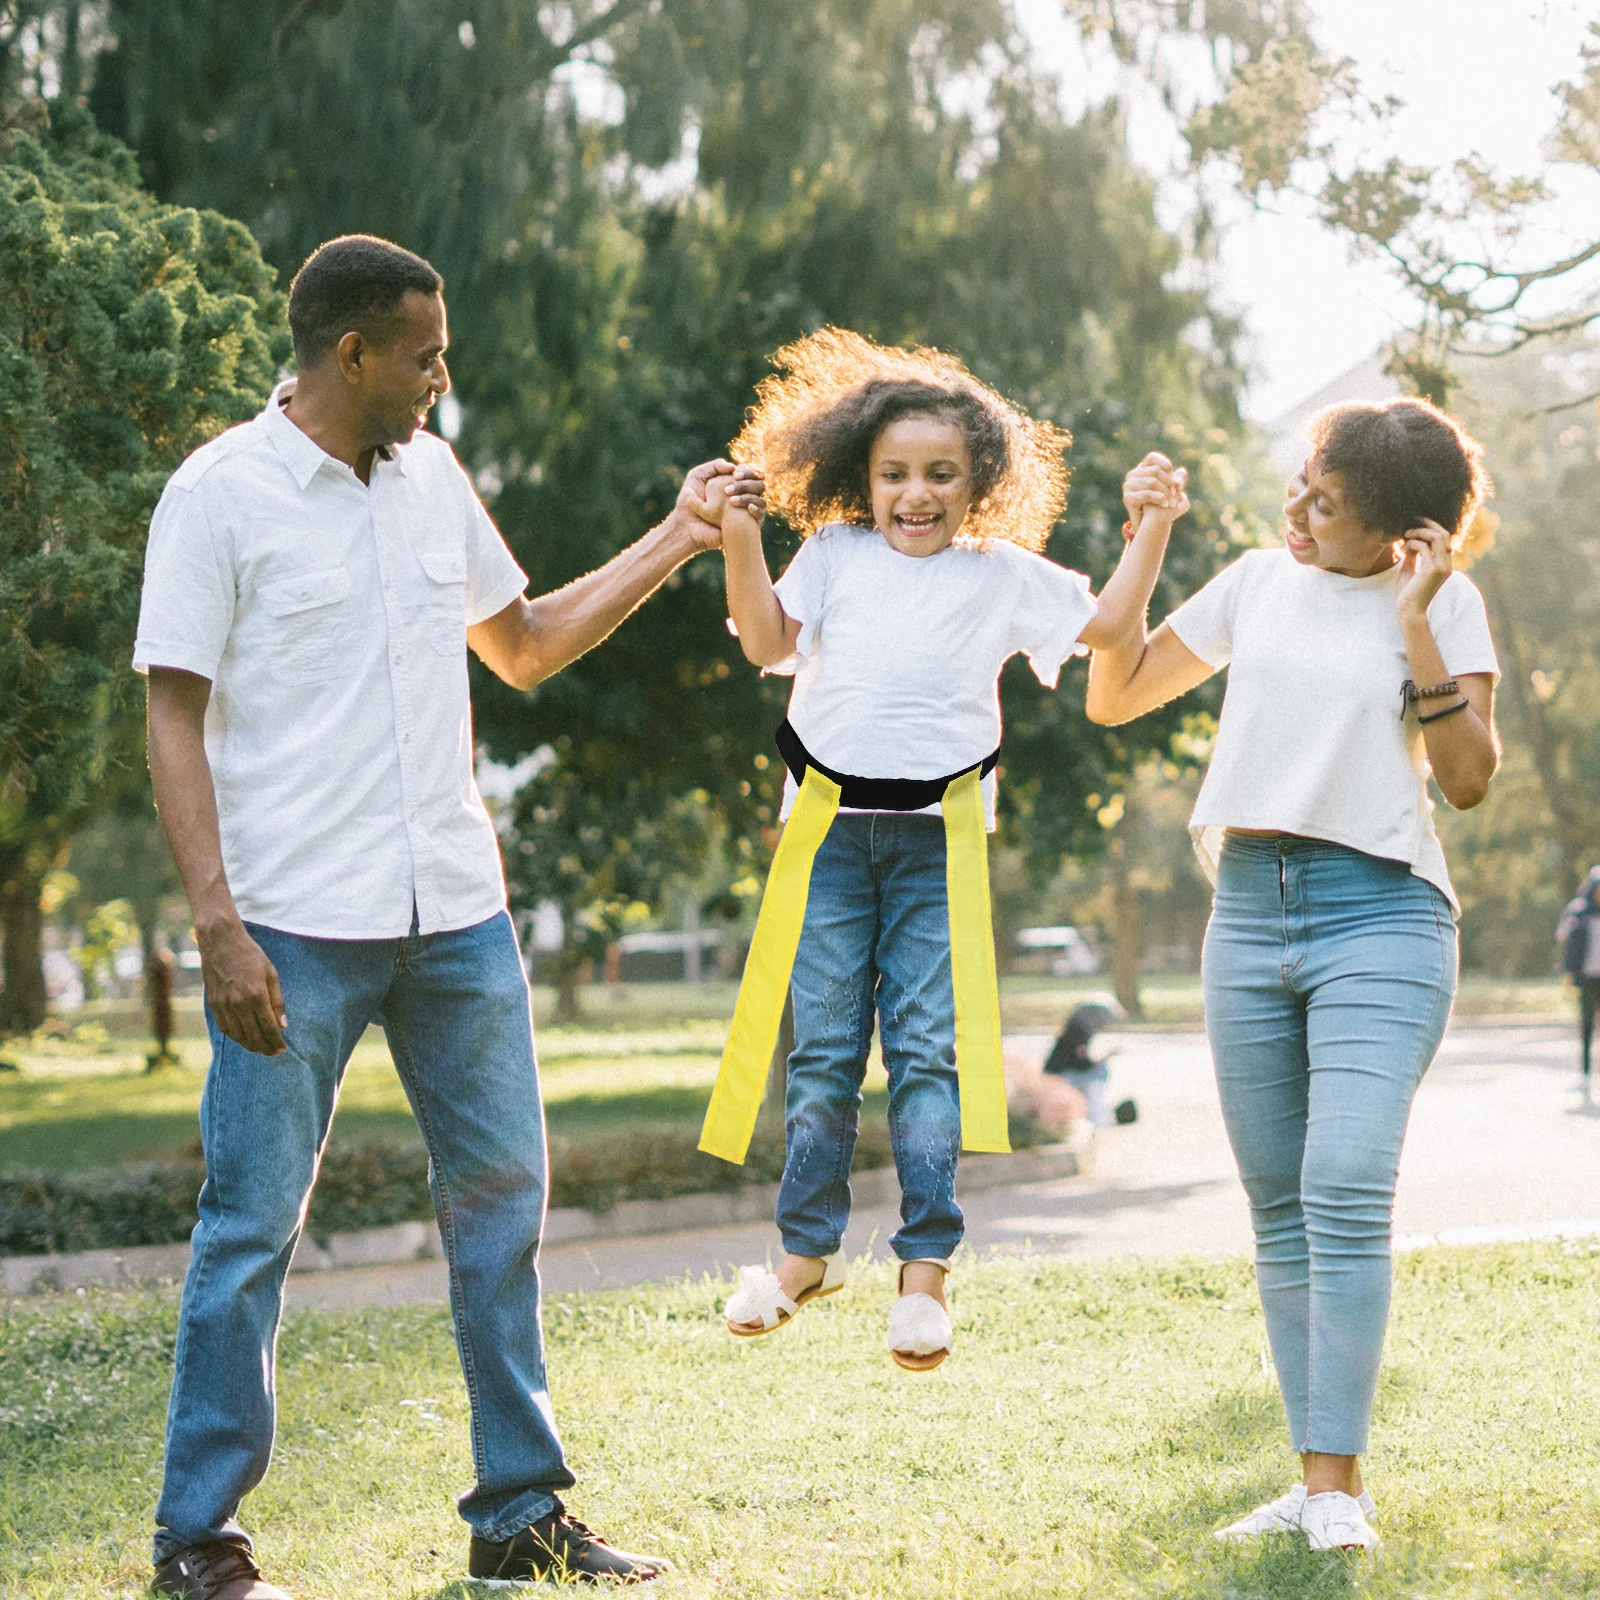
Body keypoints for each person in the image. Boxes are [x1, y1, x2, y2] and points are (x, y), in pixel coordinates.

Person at [134, 234, 762, 1600]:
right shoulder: (220, 495)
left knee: (503, 1212)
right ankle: (201, 1542)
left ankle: (519, 1515)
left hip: (456, 915)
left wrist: (677, 533)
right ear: (350, 352)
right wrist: (215, 925)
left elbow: (523, 642)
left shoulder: (430, 481)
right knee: (250, 1224)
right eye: (424, 351)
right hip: (290, 922)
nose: (443, 373)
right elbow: (170, 712)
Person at [694, 327, 1187, 1371]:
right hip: (826, 833)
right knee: (822, 1056)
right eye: (894, 475)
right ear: (859, 478)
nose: (915, 495)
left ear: (980, 483)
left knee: (926, 1054)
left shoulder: (999, 574)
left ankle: (925, 1278)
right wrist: (741, 536)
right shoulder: (833, 556)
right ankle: (803, 1256)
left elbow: (1105, 626)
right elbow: (765, 643)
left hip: (939, 842)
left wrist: (1148, 527)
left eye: (940, 475)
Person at [1086, 397, 1499, 1553]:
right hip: (1247, 910)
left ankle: (1336, 1489)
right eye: (1303, 486)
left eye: (1331, 505)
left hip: (1383, 912)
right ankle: (1315, 1480)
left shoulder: (1445, 600)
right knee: (1280, 1210)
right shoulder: (1259, 581)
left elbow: (1467, 778)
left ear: (1406, 536)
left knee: (1345, 1182)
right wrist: (1149, 536)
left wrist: (1414, 618)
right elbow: (1111, 694)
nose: (1300, 511)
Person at [1557, 865, 1600, 1098]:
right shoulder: (1580, 912)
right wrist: (1569, 972)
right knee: (1587, 1027)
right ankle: (1584, 1076)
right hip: (1588, 979)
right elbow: (1566, 942)